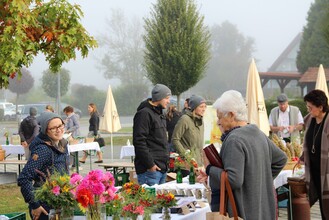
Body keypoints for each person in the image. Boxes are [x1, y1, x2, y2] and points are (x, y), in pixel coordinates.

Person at [197, 90, 287, 220]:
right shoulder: (257, 132)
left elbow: (233, 180)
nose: (218, 122)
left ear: (232, 115)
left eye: (220, 116)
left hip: (243, 211)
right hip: (263, 209)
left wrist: (210, 169)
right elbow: (281, 159)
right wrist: (257, 182)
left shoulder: (234, 139)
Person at [17, 112, 69, 220]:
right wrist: (35, 205)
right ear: (46, 130)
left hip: (59, 202)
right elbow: (24, 178)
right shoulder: (43, 149)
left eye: (60, 125)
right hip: (44, 206)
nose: (58, 130)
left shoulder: (62, 144)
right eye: (53, 128)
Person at [133, 84, 171, 186]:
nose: (169, 101)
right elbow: (139, 141)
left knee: (161, 202)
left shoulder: (160, 114)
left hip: (161, 169)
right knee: (150, 202)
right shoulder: (144, 114)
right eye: (167, 98)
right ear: (159, 98)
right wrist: (150, 165)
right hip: (150, 171)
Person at [302, 89, 329, 219]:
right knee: (323, 208)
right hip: (315, 173)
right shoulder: (310, 120)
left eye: (310, 107)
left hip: (327, 173)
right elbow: (308, 143)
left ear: (320, 107)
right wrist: (303, 156)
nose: (308, 110)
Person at [172, 95, 206, 165]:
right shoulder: (185, 119)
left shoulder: (201, 121)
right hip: (186, 165)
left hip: (198, 164)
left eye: (205, 106)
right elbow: (175, 139)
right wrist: (186, 156)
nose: (204, 109)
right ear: (194, 107)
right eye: (201, 107)